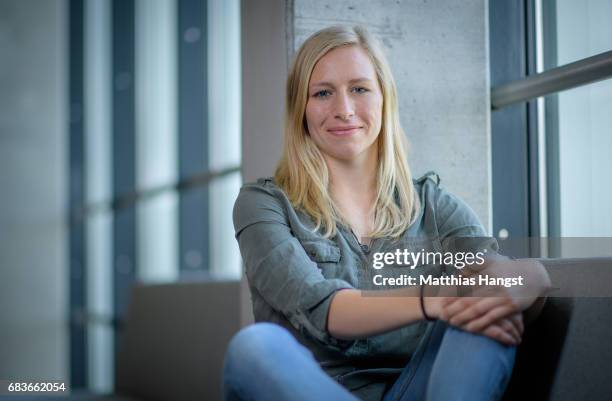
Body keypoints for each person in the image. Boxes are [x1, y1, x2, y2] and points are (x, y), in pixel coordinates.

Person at [223, 25, 551, 401]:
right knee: (254, 347)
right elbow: (324, 309)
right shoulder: (263, 204)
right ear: (302, 109)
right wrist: (436, 297)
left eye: (359, 89)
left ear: (384, 99)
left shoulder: (432, 205)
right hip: (313, 390)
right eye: (323, 93)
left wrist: (531, 277)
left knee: (486, 308)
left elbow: (499, 271)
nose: (343, 110)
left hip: (420, 389)